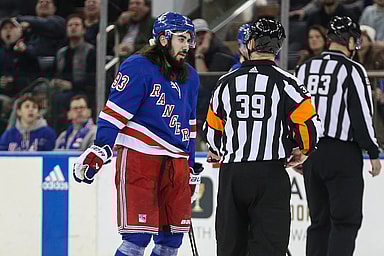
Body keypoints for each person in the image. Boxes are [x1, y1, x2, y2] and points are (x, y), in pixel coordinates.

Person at [72, 11, 203, 256]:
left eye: (189, 40)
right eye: (181, 39)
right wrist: (101, 149)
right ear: (163, 39)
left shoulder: (191, 77)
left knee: (171, 243)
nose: (187, 46)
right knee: (136, 240)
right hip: (140, 158)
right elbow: (114, 114)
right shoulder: (137, 66)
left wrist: (191, 167)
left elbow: (190, 126)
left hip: (176, 164)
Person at [202, 17, 320, 256]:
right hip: (270, 174)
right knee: (268, 247)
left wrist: (219, 150)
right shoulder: (288, 82)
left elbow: (212, 132)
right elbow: (309, 124)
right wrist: (303, 151)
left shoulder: (225, 82)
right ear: (278, 48)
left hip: (233, 175)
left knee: (230, 246)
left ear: (251, 43)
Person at [295, 16, 382, 256]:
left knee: (319, 223)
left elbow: (292, 112)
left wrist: (298, 149)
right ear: (351, 41)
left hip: (311, 153)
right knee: (345, 222)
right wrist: (373, 152)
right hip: (342, 154)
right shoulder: (353, 69)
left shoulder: (304, 68)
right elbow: (361, 113)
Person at [51, 13, 96, 133]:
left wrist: (72, 85)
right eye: (70, 25)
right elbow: (54, 73)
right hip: (62, 91)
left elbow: (94, 78)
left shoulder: (90, 51)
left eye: (77, 24)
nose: (73, 27)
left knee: (60, 100)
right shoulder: (61, 52)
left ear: (83, 29)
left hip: (83, 91)